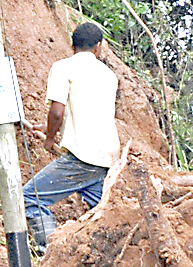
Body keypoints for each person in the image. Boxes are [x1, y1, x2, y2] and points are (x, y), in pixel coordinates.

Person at [22, 22, 120, 250]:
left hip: (82, 157)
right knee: (102, 215)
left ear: (71, 44)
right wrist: (47, 129)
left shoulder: (63, 67)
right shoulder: (109, 76)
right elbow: (88, 112)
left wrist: (49, 139)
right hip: (107, 158)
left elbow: (57, 111)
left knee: (30, 197)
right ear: (99, 47)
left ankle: (51, 255)